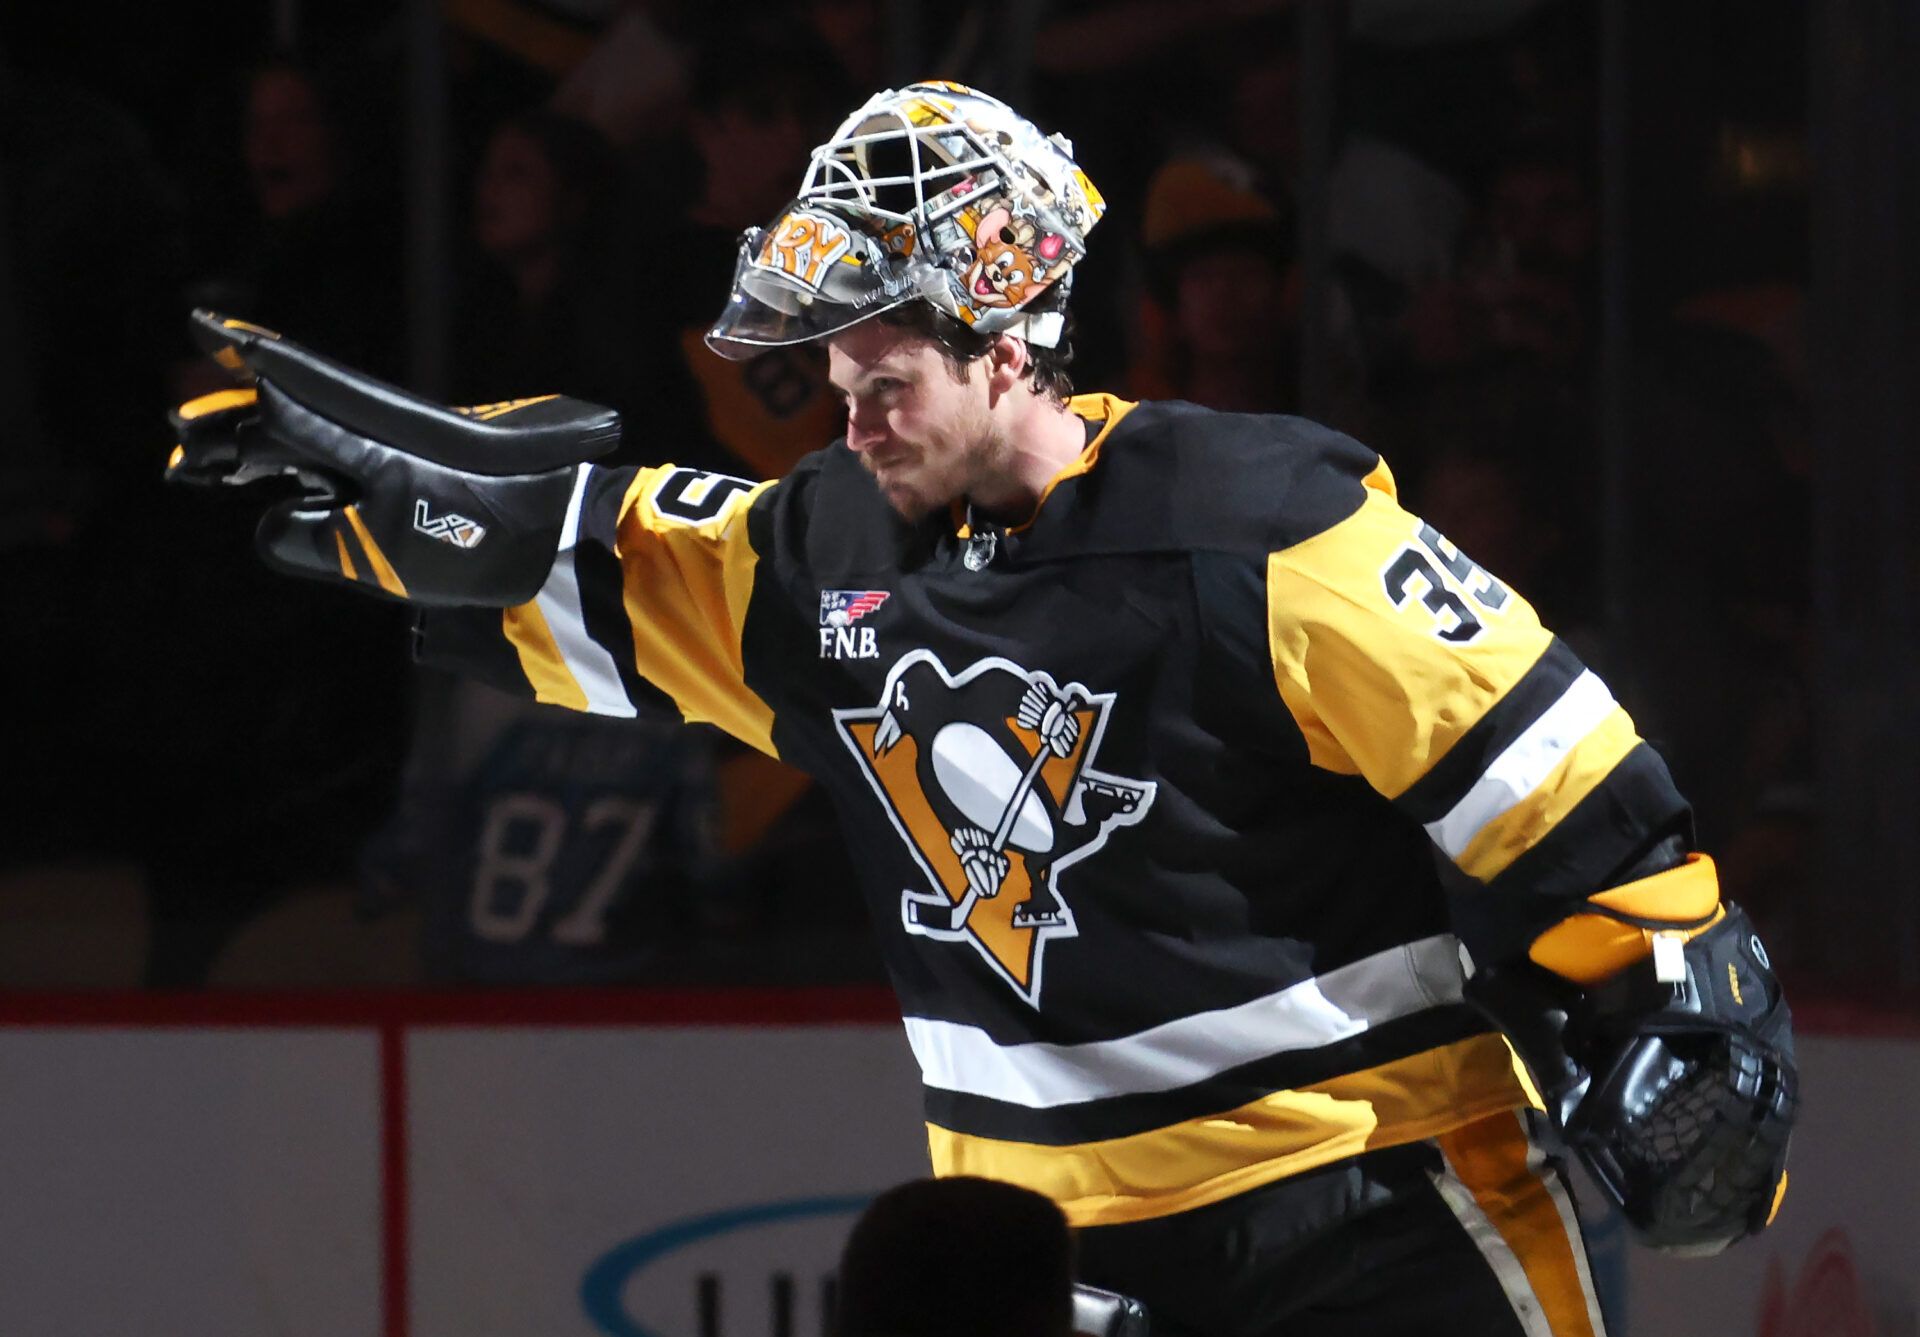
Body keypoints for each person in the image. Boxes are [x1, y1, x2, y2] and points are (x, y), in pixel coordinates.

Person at [170, 83, 1796, 1336]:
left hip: (1375, 1229)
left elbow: (1579, 801)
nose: (853, 424)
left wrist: (1673, 994)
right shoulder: (832, 548)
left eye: (887, 384)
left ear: (1012, 342)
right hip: (1054, 1266)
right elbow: (610, 557)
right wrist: (390, 499)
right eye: (837, 385)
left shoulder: (1261, 530)